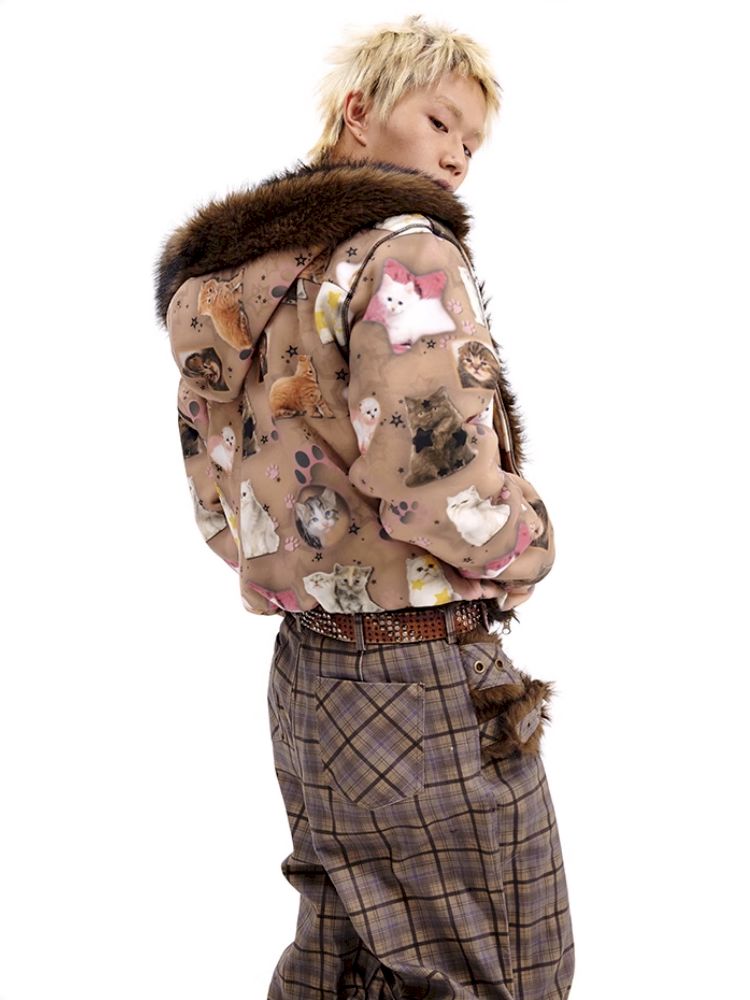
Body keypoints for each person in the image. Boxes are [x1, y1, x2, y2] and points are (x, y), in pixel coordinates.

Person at [154, 13, 575, 998]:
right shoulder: (404, 252)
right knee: (507, 967)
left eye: (471, 142)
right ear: (358, 112)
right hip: (420, 677)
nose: (457, 157)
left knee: (341, 967)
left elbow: (215, 488)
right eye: (440, 121)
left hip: (308, 683)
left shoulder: (234, 284)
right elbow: (432, 475)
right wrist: (524, 544)